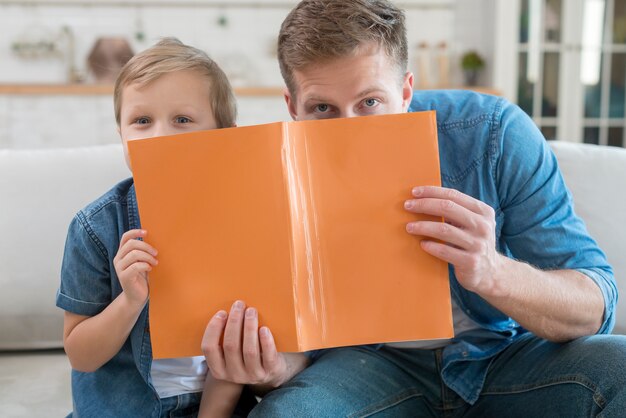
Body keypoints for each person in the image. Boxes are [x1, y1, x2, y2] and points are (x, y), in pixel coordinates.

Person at [201, 1, 626, 416]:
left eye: (370, 102)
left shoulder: (492, 133)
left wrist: (493, 273)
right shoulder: (268, 176)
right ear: (293, 108)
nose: (350, 133)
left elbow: (595, 305)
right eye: (323, 109)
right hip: (366, 368)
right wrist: (270, 372)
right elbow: (297, 356)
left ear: (405, 91)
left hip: (501, 358)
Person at [56, 37, 256, 417]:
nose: (160, 138)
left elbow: (236, 347)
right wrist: (130, 301)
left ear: (225, 135)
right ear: (121, 134)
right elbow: (81, 356)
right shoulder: (94, 228)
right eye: (142, 121)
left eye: (182, 120)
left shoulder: (244, 222)